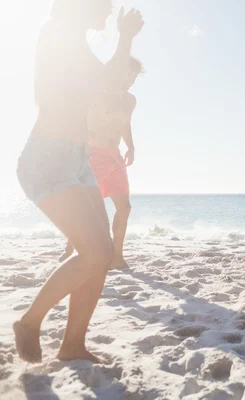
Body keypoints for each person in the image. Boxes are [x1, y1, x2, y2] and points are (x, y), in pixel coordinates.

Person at [14, 0, 144, 363]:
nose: (106, 15)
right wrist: (124, 38)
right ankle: (29, 322)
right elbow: (104, 81)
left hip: (78, 159)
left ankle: (72, 345)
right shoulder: (56, 32)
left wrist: (124, 39)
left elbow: (108, 84)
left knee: (99, 256)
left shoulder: (76, 42)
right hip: (48, 159)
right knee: (97, 252)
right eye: (104, 8)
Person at [59, 57, 143, 269]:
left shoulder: (130, 100)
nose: (129, 81)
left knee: (124, 207)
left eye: (133, 78)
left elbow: (125, 125)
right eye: (126, 75)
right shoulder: (96, 93)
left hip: (114, 155)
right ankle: (71, 246)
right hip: (91, 154)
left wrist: (131, 147)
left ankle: (117, 256)